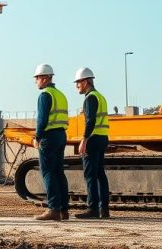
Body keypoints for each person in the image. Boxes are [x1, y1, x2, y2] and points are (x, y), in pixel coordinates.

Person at [32, 63, 70, 221]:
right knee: (58, 173)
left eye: (38, 78)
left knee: (48, 172)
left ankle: (53, 209)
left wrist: (37, 137)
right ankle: (64, 210)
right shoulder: (60, 95)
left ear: (46, 78)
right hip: (61, 135)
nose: (36, 81)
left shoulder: (45, 95)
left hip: (48, 137)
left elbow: (42, 120)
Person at [73, 66, 110, 219]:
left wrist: (84, 140)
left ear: (86, 81)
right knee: (100, 174)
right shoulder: (100, 96)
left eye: (79, 82)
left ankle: (92, 209)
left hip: (93, 140)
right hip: (102, 138)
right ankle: (104, 210)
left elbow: (91, 121)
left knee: (90, 175)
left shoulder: (90, 98)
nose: (77, 86)